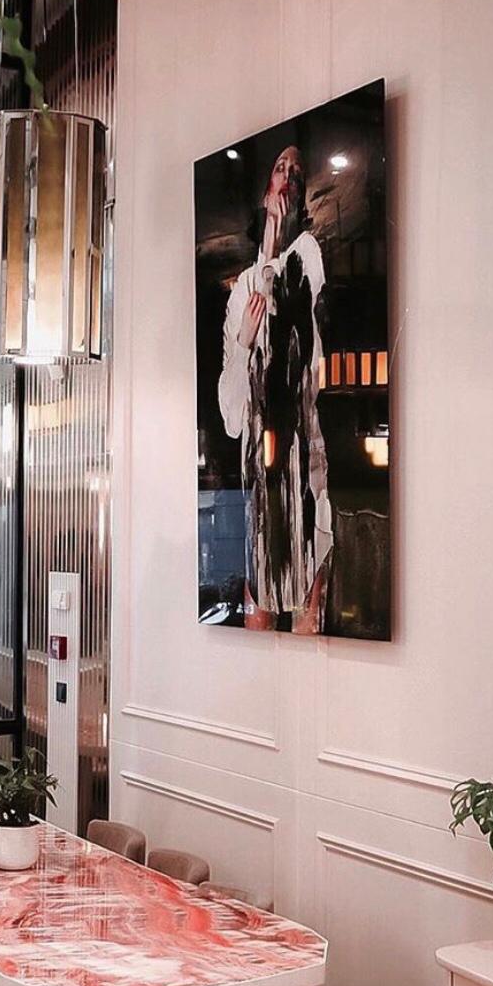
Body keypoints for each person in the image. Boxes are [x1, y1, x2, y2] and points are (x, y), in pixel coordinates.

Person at [217, 144, 331, 633]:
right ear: (266, 191)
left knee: (309, 610)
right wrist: (244, 340)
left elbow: (290, 323)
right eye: (280, 168)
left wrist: (270, 249)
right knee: (259, 611)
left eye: (297, 171)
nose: (289, 176)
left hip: (302, 459)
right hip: (258, 477)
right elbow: (231, 414)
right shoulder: (241, 288)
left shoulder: (307, 253)